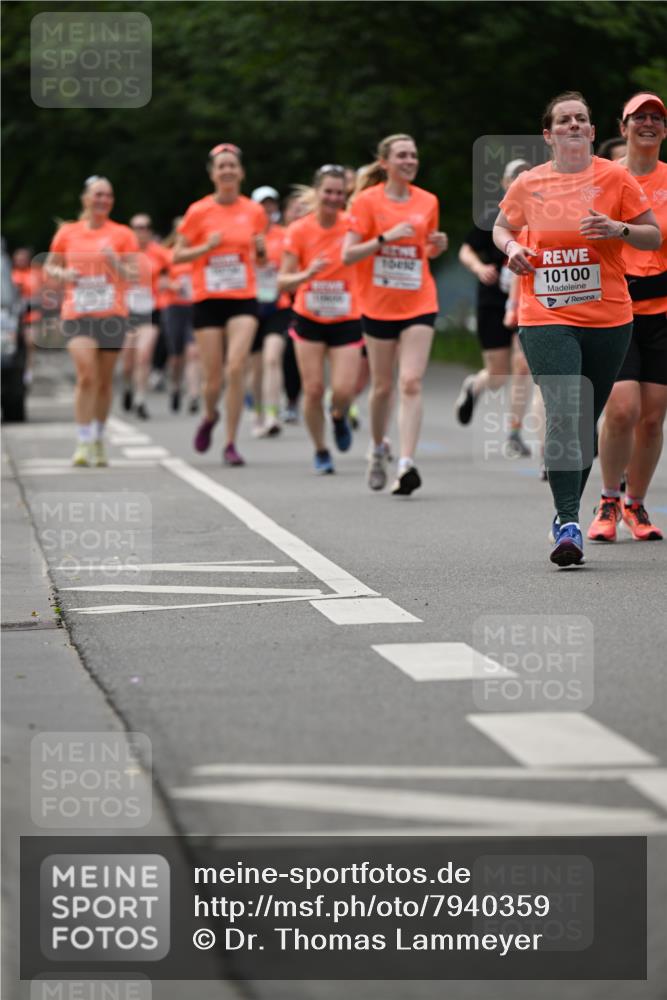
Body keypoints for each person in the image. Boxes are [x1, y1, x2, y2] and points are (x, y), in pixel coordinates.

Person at [493, 91, 660, 567]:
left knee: (585, 423)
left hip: (609, 317)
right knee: (568, 407)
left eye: (581, 120)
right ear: (548, 135)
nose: (573, 125)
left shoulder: (616, 177)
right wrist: (511, 251)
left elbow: (653, 234)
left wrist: (618, 229)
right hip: (545, 314)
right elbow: (501, 229)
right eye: (563, 120)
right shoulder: (529, 182)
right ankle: (568, 521)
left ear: (591, 131)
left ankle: (573, 505)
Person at [343, 133, 448, 494]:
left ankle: (406, 464)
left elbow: (426, 250)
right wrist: (385, 238)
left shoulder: (428, 201)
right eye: (402, 155)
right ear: (385, 163)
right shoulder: (365, 202)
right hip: (377, 304)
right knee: (383, 387)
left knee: (411, 382)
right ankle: (377, 449)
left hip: (419, 301)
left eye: (413, 155)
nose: (409, 161)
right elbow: (348, 255)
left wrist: (437, 246)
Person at [588, 93, 667, 543]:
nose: (649, 124)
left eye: (657, 118)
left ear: (665, 131)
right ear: (623, 126)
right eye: (640, 118)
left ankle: (636, 504)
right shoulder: (604, 180)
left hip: (663, 310)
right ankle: (607, 500)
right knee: (622, 409)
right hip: (615, 308)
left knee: (653, 419)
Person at [174, 143, 266, 466]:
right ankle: (210, 414)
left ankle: (230, 442)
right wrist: (204, 249)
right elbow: (178, 255)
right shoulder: (199, 211)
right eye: (221, 166)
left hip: (242, 298)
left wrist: (262, 249)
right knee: (213, 379)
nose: (227, 171)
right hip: (208, 299)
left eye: (232, 166)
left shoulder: (254, 211)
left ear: (240, 172)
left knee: (236, 367)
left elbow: (263, 259)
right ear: (213, 174)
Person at [45, 175, 139, 466]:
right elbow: (50, 265)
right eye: (98, 195)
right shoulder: (68, 233)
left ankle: (98, 437)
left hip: (112, 315)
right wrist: (63, 275)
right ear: (85, 199)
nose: (103, 200)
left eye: (108, 196)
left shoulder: (123, 234)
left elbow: (135, 275)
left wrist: (115, 263)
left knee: (104, 382)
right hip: (78, 313)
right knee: (87, 375)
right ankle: (83, 441)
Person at [278, 165, 363, 474]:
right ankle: (321, 449)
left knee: (343, 390)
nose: (333, 197)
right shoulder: (299, 229)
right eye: (328, 191)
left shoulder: (353, 226)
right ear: (317, 193)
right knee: (312, 389)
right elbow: (282, 282)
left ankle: (338, 417)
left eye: (340, 192)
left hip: (346, 317)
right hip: (309, 317)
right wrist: (307, 274)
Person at [456, 158, 533, 457]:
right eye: (515, 179)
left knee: (523, 367)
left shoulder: (543, 218)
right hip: (493, 300)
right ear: (504, 184)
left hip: (527, 301)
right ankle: (474, 386)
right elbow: (465, 250)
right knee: (499, 374)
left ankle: (514, 432)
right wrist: (478, 268)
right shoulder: (492, 218)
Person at [248, 185, 292, 437]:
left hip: (278, 303)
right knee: (256, 367)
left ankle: (273, 414)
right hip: (251, 304)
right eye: (262, 204)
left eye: (271, 204)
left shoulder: (284, 235)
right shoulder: (245, 234)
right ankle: (257, 413)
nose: (267, 209)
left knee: (272, 359)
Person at [121, 214, 170, 418]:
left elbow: (168, 275)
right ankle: (128, 388)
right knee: (127, 361)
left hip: (150, 310)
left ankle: (141, 399)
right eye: (137, 227)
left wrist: (164, 284)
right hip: (127, 311)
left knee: (144, 355)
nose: (142, 231)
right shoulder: (123, 252)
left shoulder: (159, 253)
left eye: (145, 227)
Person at [161, 217, 200, 413]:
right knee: (177, 356)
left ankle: (193, 395)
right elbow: (158, 281)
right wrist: (172, 285)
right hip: (174, 307)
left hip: (194, 306)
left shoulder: (197, 254)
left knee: (193, 353)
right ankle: (175, 386)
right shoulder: (167, 255)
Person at [11, 247, 42, 385]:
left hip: (30, 315)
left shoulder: (35, 274)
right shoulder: (9, 274)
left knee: (30, 343)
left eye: (23, 258)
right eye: (18, 258)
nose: (21, 261)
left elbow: (41, 293)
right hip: (13, 318)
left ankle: (28, 370)